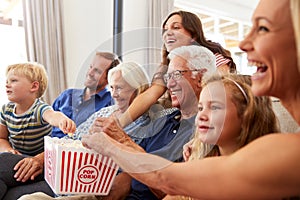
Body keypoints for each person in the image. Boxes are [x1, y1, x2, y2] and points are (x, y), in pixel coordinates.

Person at [81, 0, 300, 199]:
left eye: (263, 27)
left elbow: (168, 179)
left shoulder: (283, 151)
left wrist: (113, 144)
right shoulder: (168, 110)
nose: (243, 43)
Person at [84, 45, 216, 200]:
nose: (169, 84)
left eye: (177, 75)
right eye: (168, 77)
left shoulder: (205, 131)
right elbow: (134, 166)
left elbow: (174, 191)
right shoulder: (164, 119)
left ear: (200, 77)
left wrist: (119, 140)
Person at [18, 61, 153, 200]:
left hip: (88, 183)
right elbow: (72, 138)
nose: (113, 95)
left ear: (137, 89)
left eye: (119, 88)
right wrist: (41, 159)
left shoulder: (148, 123)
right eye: (112, 88)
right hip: (63, 175)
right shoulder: (106, 112)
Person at [164, 74, 279, 200]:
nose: (201, 116)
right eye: (200, 108)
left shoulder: (265, 173)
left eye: (214, 107)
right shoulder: (200, 159)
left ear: (247, 114)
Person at [117, 10, 236, 129]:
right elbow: (150, 94)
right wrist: (118, 125)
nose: (168, 33)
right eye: (165, 30)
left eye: (176, 27)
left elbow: (222, 92)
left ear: (193, 35)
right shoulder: (168, 64)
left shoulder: (213, 58)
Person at [0, 63, 76, 200]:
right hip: (17, 159)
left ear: (34, 86)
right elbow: (1, 138)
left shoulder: (39, 108)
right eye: (7, 81)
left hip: (41, 165)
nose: (7, 84)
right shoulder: (6, 110)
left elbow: (52, 115)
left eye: (13, 80)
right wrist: (8, 150)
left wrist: (62, 121)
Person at [51, 51, 120, 138]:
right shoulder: (67, 95)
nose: (90, 73)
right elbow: (46, 125)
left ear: (109, 78)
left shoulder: (110, 104)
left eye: (97, 71)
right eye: (91, 67)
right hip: (49, 148)